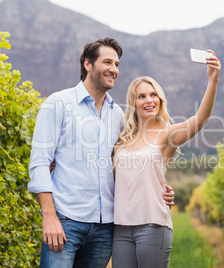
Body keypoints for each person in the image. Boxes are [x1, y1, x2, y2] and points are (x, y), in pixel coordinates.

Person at [28, 37, 174, 268]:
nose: (113, 69)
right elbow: (39, 163)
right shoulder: (57, 103)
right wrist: (49, 216)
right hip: (66, 222)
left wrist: (158, 188)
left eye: (117, 64)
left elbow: (133, 161)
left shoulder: (118, 116)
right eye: (107, 62)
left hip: (105, 228)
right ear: (88, 64)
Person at [112, 50, 221, 268]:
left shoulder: (167, 135)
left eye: (153, 95)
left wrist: (213, 79)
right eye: (142, 96)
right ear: (134, 103)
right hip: (120, 228)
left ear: (161, 100)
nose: (149, 100)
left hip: (153, 226)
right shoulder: (122, 140)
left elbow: (200, 120)